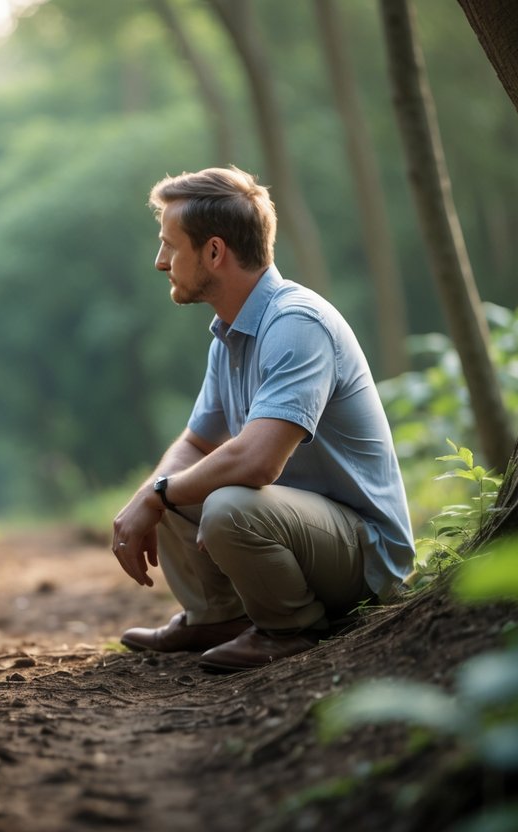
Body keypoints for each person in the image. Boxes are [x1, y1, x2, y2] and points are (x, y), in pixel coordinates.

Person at [111, 166, 414, 672]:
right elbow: (197, 442)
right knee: (176, 481)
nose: (160, 261)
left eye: (170, 246)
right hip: (302, 532)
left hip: (363, 554)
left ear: (214, 252)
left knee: (225, 504)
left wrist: (157, 495)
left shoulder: (296, 323)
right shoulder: (229, 333)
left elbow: (258, 462)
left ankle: (289, 628)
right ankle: (217, 619)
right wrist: (151, 493)